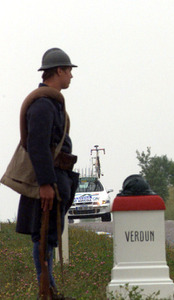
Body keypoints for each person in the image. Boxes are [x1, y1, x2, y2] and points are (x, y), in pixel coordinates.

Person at [15, 48, 79, 297]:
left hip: (55, 177)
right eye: (69, 70)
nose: (71, 76)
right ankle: (47, 291)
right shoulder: (43, 104)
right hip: (49, 179)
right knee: (43, 236)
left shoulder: (51, 102)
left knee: (49, 236)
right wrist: (46, 184)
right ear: (59, 71)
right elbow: (38, 145)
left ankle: (49, 288)